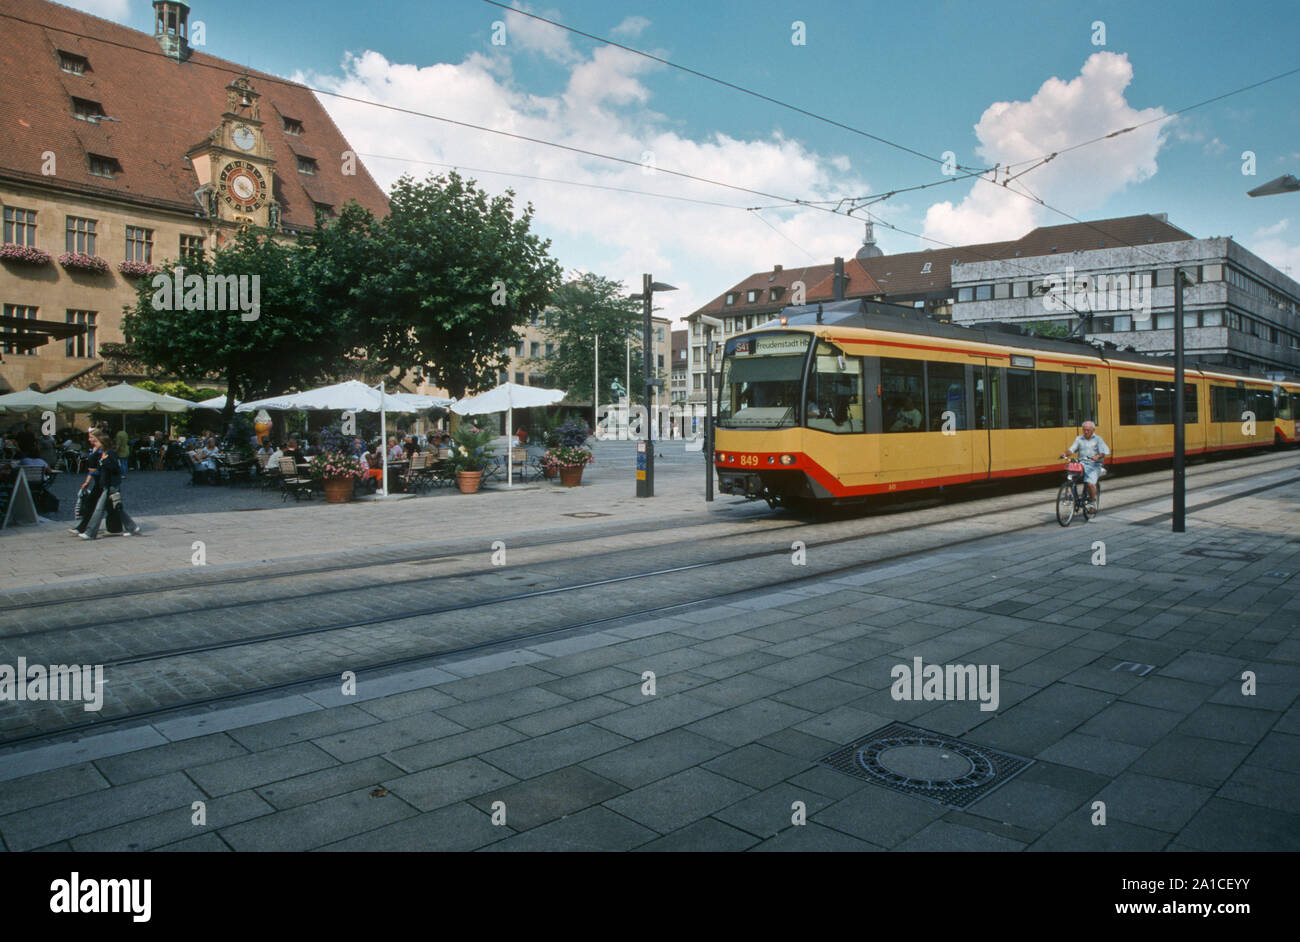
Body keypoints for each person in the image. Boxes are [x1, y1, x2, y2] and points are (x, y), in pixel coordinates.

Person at [1060, 420, 1111, 511]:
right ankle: (1072, 492)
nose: (1086, 432)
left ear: (1093, 430)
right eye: (1084, 430)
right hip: (1082, 463)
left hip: (1094, 465)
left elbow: (1103, 452)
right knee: (1072, 474)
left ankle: (1092, 503)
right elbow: (1072, 449)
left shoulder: (1098, 439)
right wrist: (1065, 453)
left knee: (1090, 483)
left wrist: (1098, 456)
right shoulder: (1079, 438)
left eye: (1088, 430)